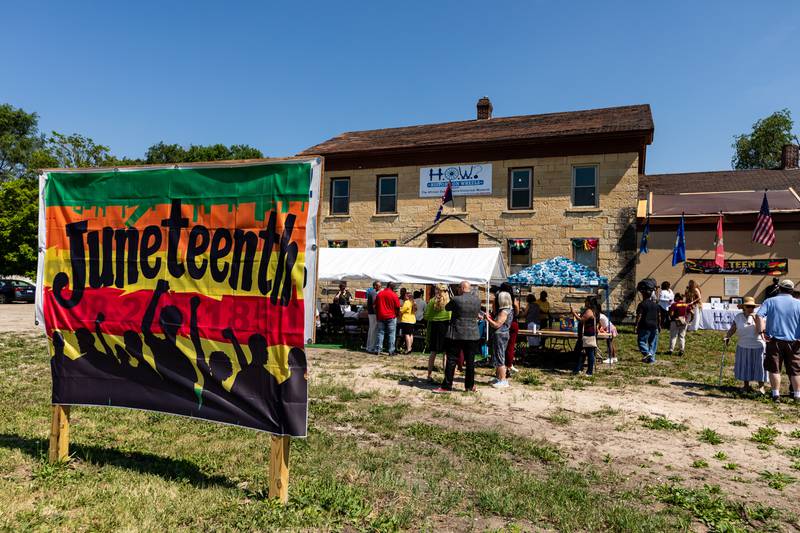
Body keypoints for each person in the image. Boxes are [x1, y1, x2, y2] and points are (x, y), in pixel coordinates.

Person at [755, 279, 800, 402]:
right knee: (795, 370)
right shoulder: (798, 303)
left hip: (774, 341)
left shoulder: (770, 301)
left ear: (779, 288)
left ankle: (776, 395)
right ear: (791, 290)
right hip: (795, 342)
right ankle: (797, 395)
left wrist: (761, 332)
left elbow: (758, 315)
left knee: (774, 368)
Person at [433, 281, 481, 393]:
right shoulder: (477, 300)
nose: (457, 289)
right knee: (470, 362)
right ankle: (469, 386)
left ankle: (447, 386)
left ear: (462, 288)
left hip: (457, 334)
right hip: (473, 334)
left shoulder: (456, 299)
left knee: (451, 360)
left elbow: (447, 308)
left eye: (458, 287)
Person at [724, 296, 767, 394]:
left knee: (759, 366)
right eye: (748, 306)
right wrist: (727, 336)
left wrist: (754, 318)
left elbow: (762, 330)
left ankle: (761, 387)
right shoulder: (738, 317)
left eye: (752, 307)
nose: (750, 308)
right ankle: (746, 386)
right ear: (744, 307)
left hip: (758, 345)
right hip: (743, 345)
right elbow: (733, 328)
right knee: (745, 365)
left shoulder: (759, 316)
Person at [485, 290, 514, 388]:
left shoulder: (504, 311)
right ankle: (498, 378)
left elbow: (497, 325)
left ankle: (503, 380)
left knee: (500, 357)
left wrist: (488, 319)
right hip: (502, 334)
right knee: (498, 356)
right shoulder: (509, 309)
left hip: (500, 335)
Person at [424, 284, 451, 381]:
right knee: (446, 354)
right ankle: (446, 376)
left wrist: (434, 317)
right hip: (446, 328)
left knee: (433, 352)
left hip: (435, 328)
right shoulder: (449, 302)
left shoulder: (432, 301)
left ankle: (429, 375)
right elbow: (451, 316)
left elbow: (426, 316)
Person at [572, 296, 600, 376]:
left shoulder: (589, 311)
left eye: (586, 301)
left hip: (587, 334)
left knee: (588, 353)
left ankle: (589, 372)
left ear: (589, 302)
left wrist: (573, 313)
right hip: (586, 334)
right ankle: (577, 369)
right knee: (581, 352)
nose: (585, 302)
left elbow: (581, 320)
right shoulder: (594, 310)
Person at [499, 283, 520, 376]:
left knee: (501, 347)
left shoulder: (498, 297)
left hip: (502, 323)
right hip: (512, 323)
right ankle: (508, 366)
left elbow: (494, 311)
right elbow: (517, 311)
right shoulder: (512, 298)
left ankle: (500, 367)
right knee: (510, 346)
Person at [374, 282, 401, 355]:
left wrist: (377, 315)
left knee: (380, 333)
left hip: (381, 316)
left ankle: (378, 350)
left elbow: (375, 306)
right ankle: (391, 350)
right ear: (392, 287)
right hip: (391, 316)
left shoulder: (380, 294)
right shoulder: (394, 295)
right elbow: (398, 307)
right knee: (391, 334)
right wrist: (397, 315)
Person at [635, 286, 660, 363]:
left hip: (644, 325)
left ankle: (647, 353)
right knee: (653, 343)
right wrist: (659, 325)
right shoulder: (656, 305)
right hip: (654, 325)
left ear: (643, 295)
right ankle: (651, 359)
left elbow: (639, 315)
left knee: (641, 341)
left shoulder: (642, 304)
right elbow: (659, 316)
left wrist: (636, 325)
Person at [365, 281, 381, 354]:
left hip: (371, 313)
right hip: (374, 314)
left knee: (371, 330)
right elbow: (374, 305)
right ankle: (371, 347)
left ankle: (369, 346)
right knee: (374, 331)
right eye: (379, 286)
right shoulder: (374, 292)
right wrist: (377, 313)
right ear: (375, 286)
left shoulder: (371, 292)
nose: (380, 287)